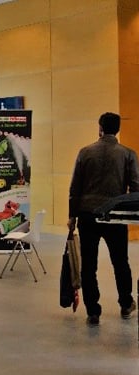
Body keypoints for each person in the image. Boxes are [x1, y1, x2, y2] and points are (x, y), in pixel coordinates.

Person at [68, 112, 138, 325]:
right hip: (115, 216)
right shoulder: (128, 154)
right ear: (117, 129)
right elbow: (135, 188)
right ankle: (126, 304)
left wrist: (72, 215)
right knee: (121, 262)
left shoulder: (85, 152)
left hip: (88, 215)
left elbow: (75, 187)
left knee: (89, 265)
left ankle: (93, 311)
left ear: (100, 128)